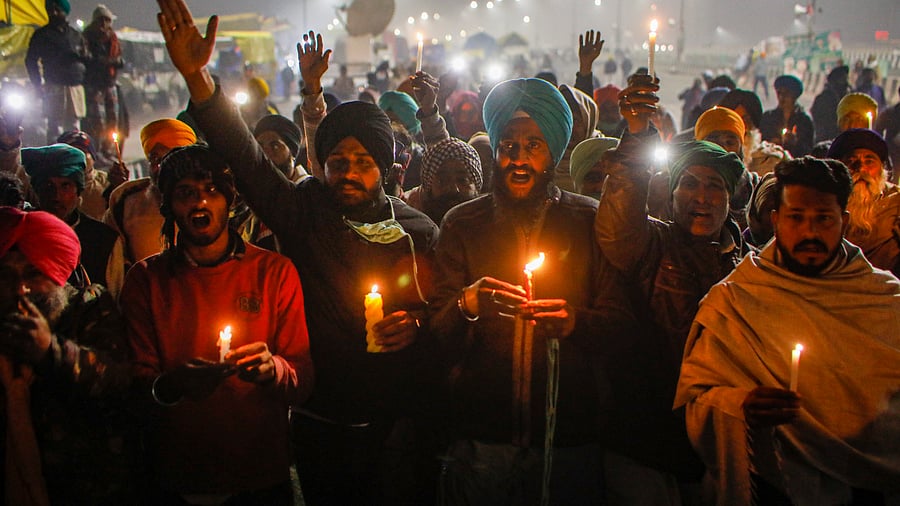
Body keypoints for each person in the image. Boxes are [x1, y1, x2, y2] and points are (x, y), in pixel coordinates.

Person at [157, 7, 440, 503]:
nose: (348, 173)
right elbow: (247, 159)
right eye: (336, 162)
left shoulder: (418, 232)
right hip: (319, 419)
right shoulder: (305, 211)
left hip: (397, 422)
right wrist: (198, 79)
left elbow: (445, 312)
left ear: (388, 168)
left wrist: (419, 326)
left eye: (363, 162)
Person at [429, 77, 617, 505]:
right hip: (483, 440)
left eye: (533, 146)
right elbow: (436, 333)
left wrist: (574, 322)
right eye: (508, 146)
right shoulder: (462, 224)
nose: (518, 159)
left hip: (568, 439)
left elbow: (620, 324)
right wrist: (468, 304)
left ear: (553, 152)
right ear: (494, 150)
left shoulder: (588, 222)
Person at [675, 156, 900, 505]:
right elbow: (698, 399)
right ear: (777, 220)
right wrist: (741, 406)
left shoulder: (885, 301)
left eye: (823, 219)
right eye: (796, 218)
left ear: (844, 221)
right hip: (773, 487)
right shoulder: (736, 299)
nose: (809, 232)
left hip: (868, 491)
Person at [119, 144, 313, 503]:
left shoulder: (273, 273)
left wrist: (274, 369)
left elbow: (301, 377)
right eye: (185, 193)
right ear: (168, 206)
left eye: (211, 191)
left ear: (230, 200)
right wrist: (174, 384)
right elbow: (134, 389)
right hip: (180, 477)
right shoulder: (145, 281)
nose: (200, 203)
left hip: (260, 474)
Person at [596, 72, 745, 503]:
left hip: (715, 448)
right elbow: (618, 219)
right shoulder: (650, 245)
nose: (702, 196)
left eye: (714, 186)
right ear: (673, 193)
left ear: (729, 198)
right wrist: (638, 133)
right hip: (643, 439)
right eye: (690, 184)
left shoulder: (747, 266)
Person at [0, 206, 142, 505]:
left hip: (84, 483)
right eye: (6, 276)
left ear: (57, 273)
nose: (20, 290)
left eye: (32, 274)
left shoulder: (89, 306)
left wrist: (49, 350)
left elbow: (116, 379)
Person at [21, 143, 125, 297]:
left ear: (78, 191)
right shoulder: (23, 236)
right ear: (37, 190)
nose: (56, 196)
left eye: (65, 186)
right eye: (48, 186)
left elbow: (116, 299)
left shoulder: (103, 240)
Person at [103, 118, 196, 264]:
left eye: (168, 159)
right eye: (154, 159)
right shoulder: (126, 201)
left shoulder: (206, 199)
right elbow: (114, 263)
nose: (159, 167)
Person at [825, 128, 900, 275]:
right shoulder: (824, 204)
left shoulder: (896, 204)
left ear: (881, 170)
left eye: (869, 161)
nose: (860, 168)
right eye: (851, 161)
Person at [24, 0, 88, 143]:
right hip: (54, 85)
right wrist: (37, 84)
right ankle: (54, 162)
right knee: (55, 127)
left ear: (65, 12)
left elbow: (87, 59)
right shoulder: (42, 35)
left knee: (75, 127)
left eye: (57, 9)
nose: (53, 13)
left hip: (75, 86)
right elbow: (30, 60)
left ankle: (76, 160)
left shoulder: (75, 35)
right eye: (50, 10)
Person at [57, 129, 129, 220]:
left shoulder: (107, 182)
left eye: (82, 152)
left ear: (93, 158)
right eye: (71, 153)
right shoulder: (51, 186)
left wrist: (121, 188)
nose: (77, 157)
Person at [82, 4, 124, 159]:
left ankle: (109, 150)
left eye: (107, 20)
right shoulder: (88, 37)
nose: (104, 24)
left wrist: (111, 61)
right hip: (95, 84)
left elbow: (120, 60)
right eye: (102, 20)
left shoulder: (112, 38)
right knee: (97, 120)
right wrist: (108, 61)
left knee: (113, 119)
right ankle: (97, 151)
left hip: (110, 83)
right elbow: (89, 60)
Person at [760, 75, 815, 157]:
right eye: (779, 93)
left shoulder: (804, 121)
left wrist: (795, 143)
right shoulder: (768, 117)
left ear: (795, 96)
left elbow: (809, 150)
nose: (781, 97)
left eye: (786, 93)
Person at [811, 65, 850, 142]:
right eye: (842, 79)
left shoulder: (847, 97)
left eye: (846, 79)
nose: (846, 83)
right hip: (826, 137)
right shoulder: (824, 98)